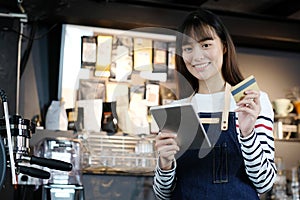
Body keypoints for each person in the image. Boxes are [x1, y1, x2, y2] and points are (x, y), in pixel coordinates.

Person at [153, 8, 277, 200]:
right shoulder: (177, 109)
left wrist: (247, 134)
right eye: (188, 48)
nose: (196, 57)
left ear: (224, 46)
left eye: (206, 45)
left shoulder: (251, 102)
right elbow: (162, 195)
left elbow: (265, 183)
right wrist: (165, 163)